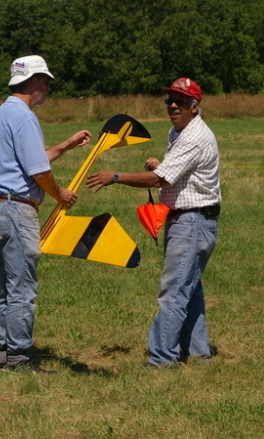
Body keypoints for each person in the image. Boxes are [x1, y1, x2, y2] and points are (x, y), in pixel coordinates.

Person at [86, 77, 221, 367]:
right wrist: (162, 165)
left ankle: (162, 359)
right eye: (169, 100)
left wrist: (117, 176)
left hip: (192, 222)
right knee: (189, 290)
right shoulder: (179, 132)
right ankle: (198, 355)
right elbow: (178, 174)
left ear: (195, 107)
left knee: (173, 292)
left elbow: (160, 180)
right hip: (190, 220)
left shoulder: (195, 136)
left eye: (181, 101)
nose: (173, 105)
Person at [0, 55, 91, 373]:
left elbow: (30, 159)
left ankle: (6, 353)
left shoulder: (3, 113)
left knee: (8, 287)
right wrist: (60, 194)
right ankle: (18, 360)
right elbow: (38, 170)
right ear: (31, 82)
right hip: (17, 210)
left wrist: (66, 145)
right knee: (22, 288)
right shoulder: (25, 117)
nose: (48, 88)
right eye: (45, 81)